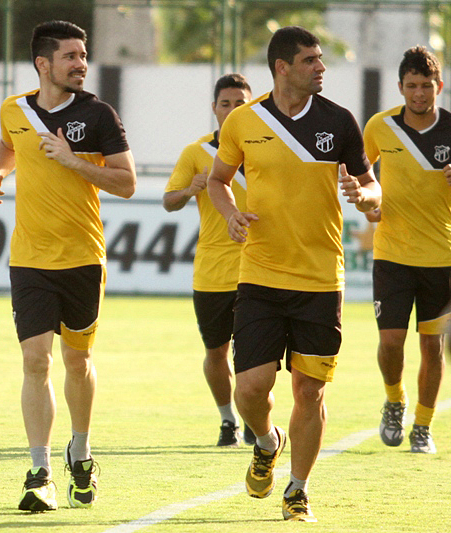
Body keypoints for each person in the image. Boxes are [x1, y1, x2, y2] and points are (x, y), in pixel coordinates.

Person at [207, 26, 381, 522]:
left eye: (321, 59)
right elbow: (219, 181)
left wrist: (366, 198)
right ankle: (267, 441)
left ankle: (298, 490)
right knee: (250, 389)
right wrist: (230, 212)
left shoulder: (341, 122)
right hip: (260, 275)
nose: (321, 68)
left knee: (310, 391)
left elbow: (374, 191)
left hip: (321, 279)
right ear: (282, 68)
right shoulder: (243, 121)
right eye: (310, 61)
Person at [0, 20, 136, 512]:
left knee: (76, 361)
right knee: (34, 360)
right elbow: (9, 146)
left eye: (83, 55)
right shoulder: (15, 109)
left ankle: (82, 452)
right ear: (43, 64)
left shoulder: (98, 115)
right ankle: (39, 471)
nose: (81, 63)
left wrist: (74, 162)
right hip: (29, 258)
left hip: (83, 258)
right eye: (70, 56)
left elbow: (126, 182)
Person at [362, 45, 451, 454]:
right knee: (391, 342)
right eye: (411, 86)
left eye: (426, 85)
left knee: (432, 347)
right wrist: (369, 201)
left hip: (442, 259)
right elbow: (362, 176)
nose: (419, 93)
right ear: (399, 87)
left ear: (440, 86)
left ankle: (423, 425)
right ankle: (394, 400)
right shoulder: (379, 127)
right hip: (392, 255)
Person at [163, 73, 255, 448]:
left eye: (241, 103)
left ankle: (255, 416)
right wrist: (189, 189)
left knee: (255, 354)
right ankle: (227, 420)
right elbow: (169, 201)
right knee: (215, 351)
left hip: (260, 269)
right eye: (225, 104)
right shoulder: (197, 152)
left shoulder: (269, 146)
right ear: (215, 109)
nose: (233, 110)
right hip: (213, 272)